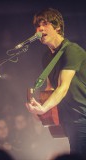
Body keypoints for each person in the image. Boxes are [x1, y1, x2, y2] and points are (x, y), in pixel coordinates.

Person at [26, 8, 86, 157]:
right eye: (37, 26)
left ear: (57, 26)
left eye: (44, 24)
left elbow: (62, 87)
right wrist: (40, 110)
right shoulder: (46, 58)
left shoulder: (72, 50)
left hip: (83, 117)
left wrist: (44, 107)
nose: (39, 29)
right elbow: (50, 89)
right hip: (69, 120)